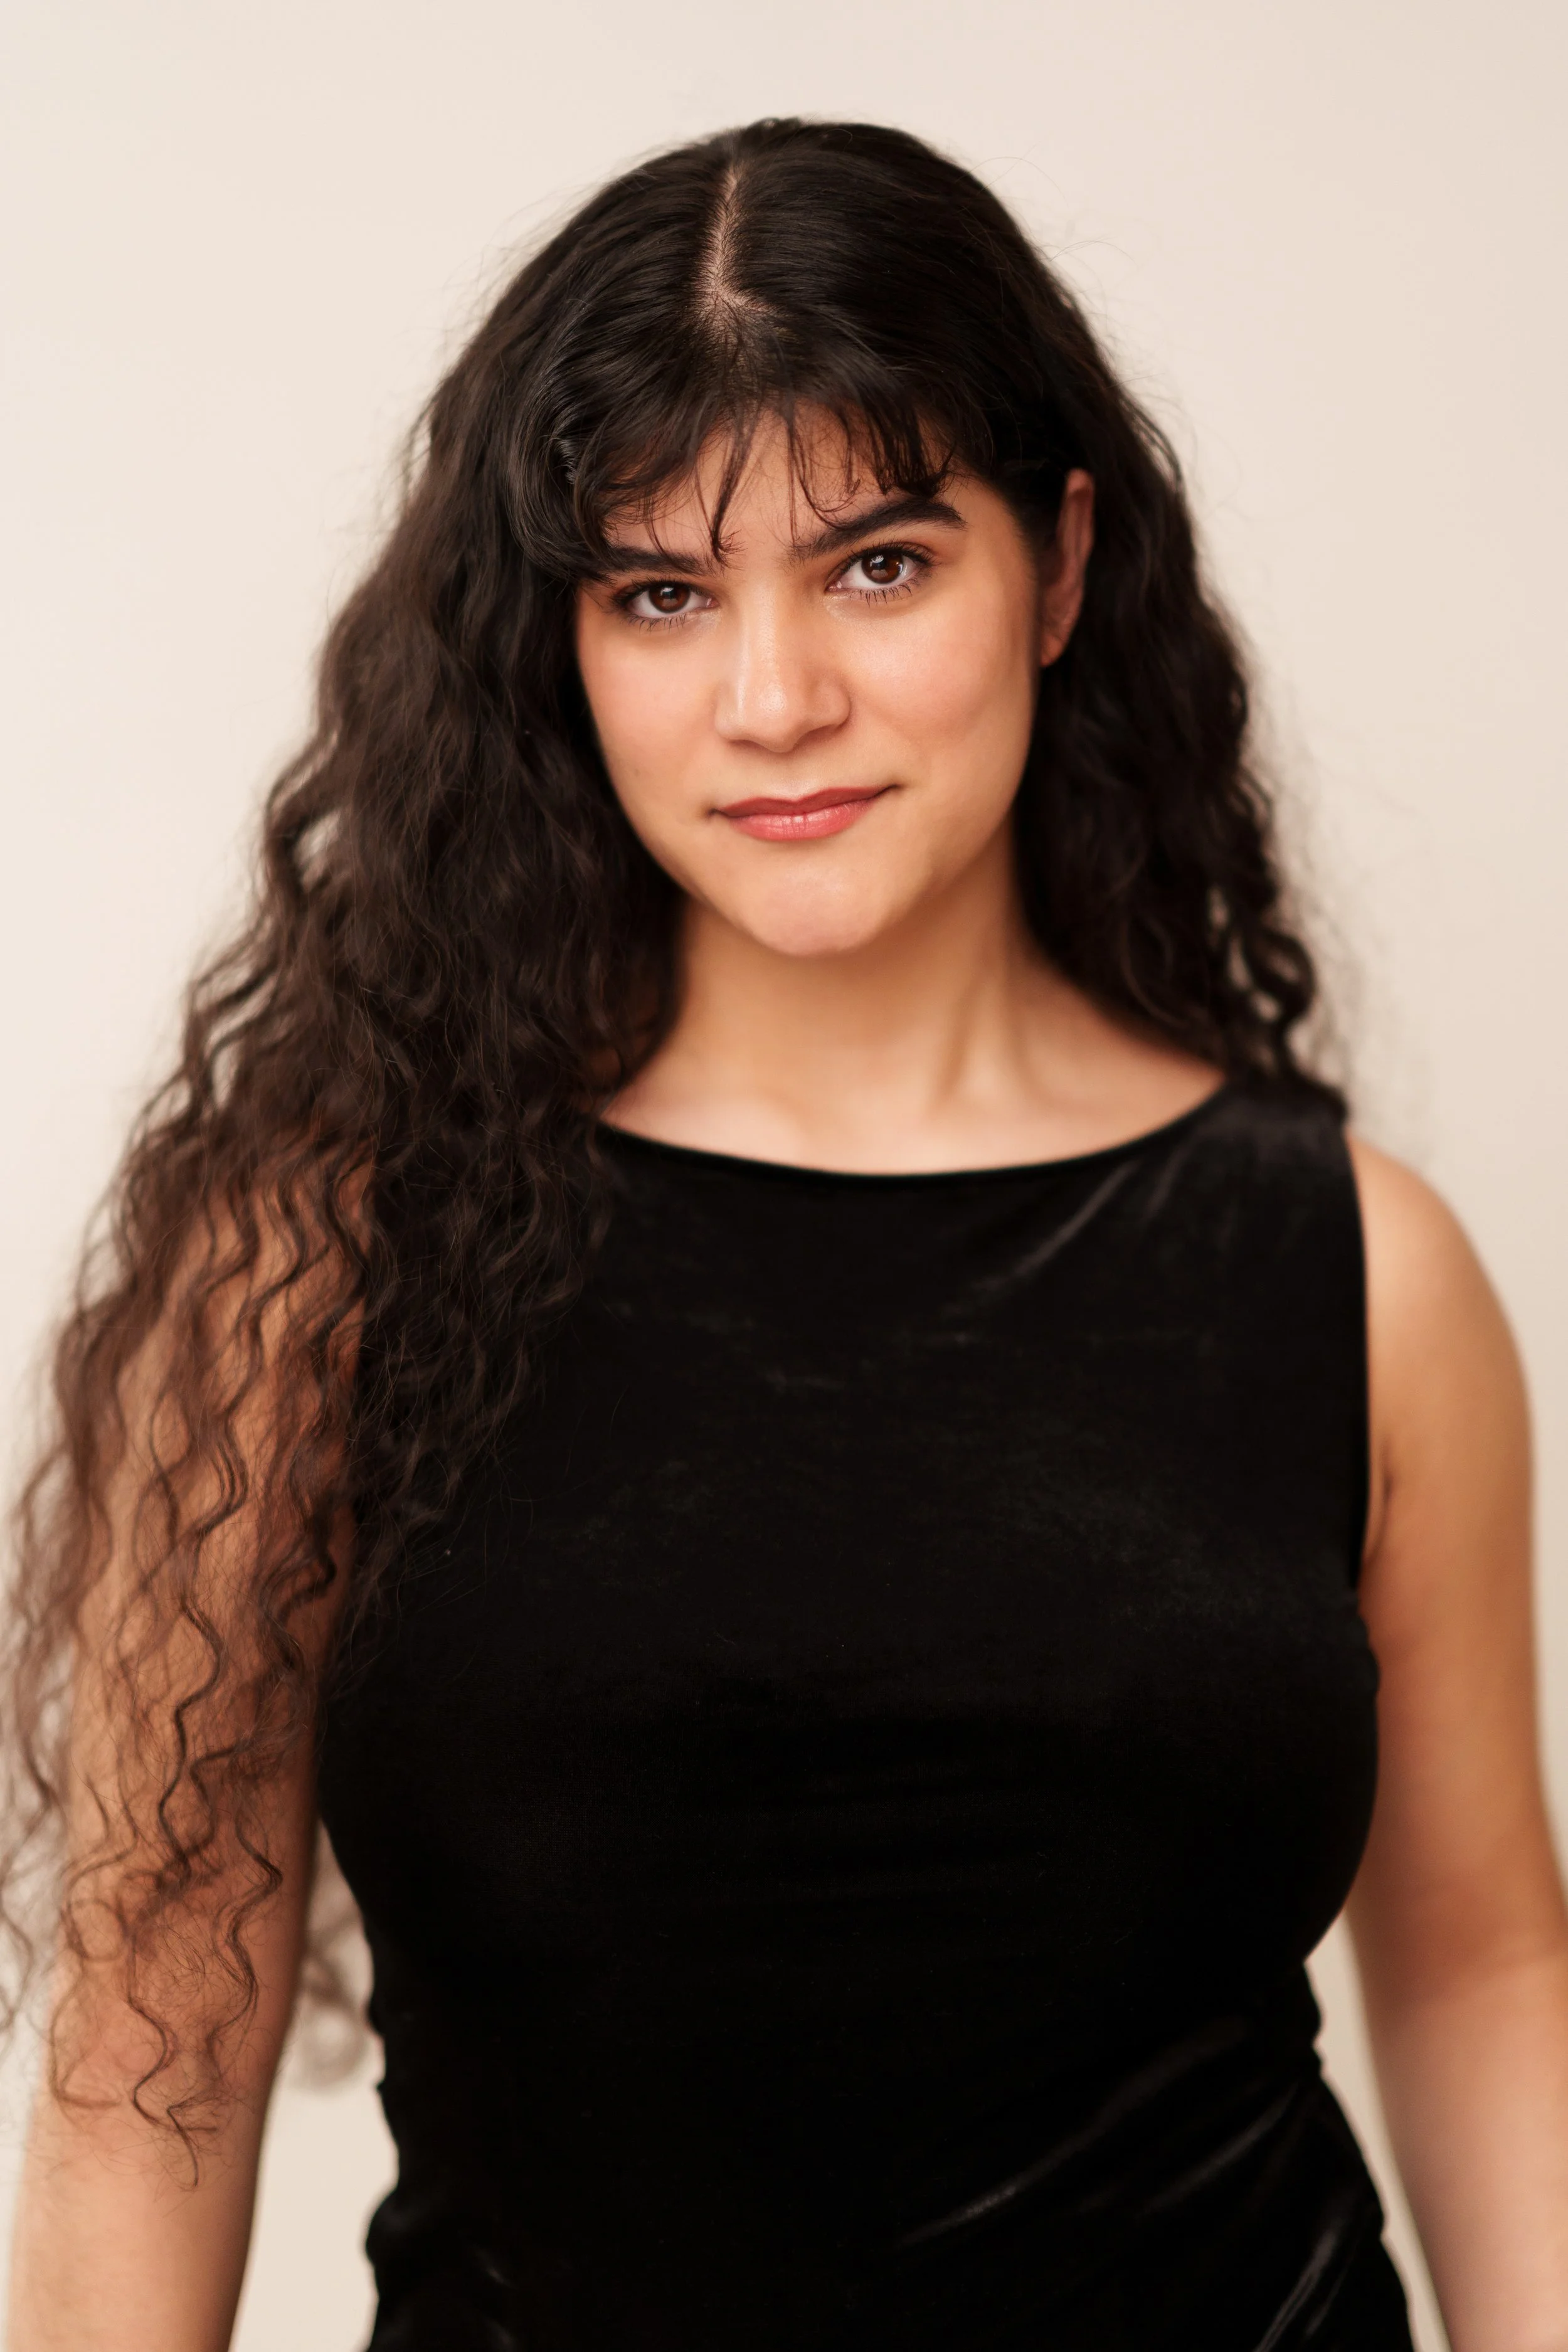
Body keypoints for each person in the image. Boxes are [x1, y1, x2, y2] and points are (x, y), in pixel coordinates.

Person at [5, 114, 1567, 2352]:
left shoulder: (1356, 1269)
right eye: (661, 593)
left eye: (876, 564)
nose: (772, 700)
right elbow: (140, 2063)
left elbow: (1485, 1964)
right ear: (560, 644)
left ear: (1056, 565)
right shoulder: (312, 1272)